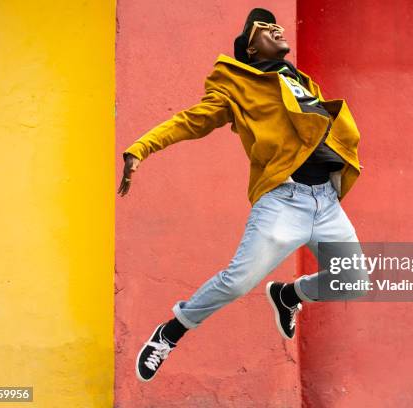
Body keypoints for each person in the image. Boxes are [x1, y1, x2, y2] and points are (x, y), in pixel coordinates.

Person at [118, 8, 368, 383]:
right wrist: (142, 147)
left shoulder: (300, 81)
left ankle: (289, 296)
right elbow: (191, 120)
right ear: (250, 50)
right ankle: (171, 332)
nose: (277, 28)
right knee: (237, 281)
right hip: (284, 201)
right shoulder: (236, 84)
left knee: (353, 281)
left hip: (326, 201)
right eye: (265, 29)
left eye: (276, 24)